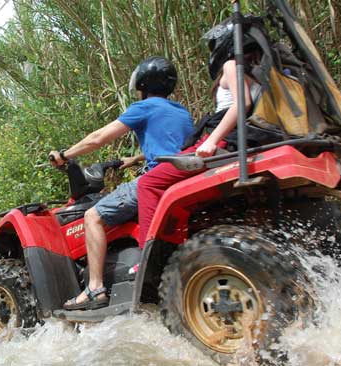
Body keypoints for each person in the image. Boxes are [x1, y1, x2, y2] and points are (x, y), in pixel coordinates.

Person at [49, 56, 194, 310]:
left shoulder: (145, 107)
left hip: (153, 181)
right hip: (179, 178)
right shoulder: (181, 112)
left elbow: (98, 138)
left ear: (142, 83)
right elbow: (173, 147)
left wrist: (65, 155)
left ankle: (94, 288)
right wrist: (136, 158)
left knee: (93, 216)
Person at [136, 20, 262, 247]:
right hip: (240, 138)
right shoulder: (260, 70)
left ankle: (153, 251)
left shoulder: (232, 66)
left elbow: (241, 103)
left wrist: (212, 141)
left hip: (222, 140)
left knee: (148, 183)